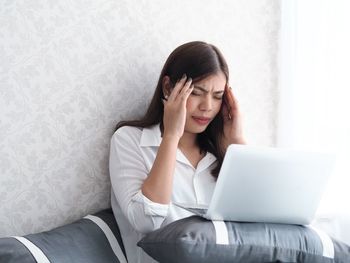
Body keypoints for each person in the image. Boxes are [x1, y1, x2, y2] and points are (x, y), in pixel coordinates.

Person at [109, 41, 246, 263]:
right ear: (168, 87)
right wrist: (171, 136)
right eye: (197, 92)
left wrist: (237, 144)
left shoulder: (222, 154)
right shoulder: (129, 139)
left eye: (218, 96)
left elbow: (254, 224)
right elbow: (145, 221)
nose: (207, 106)